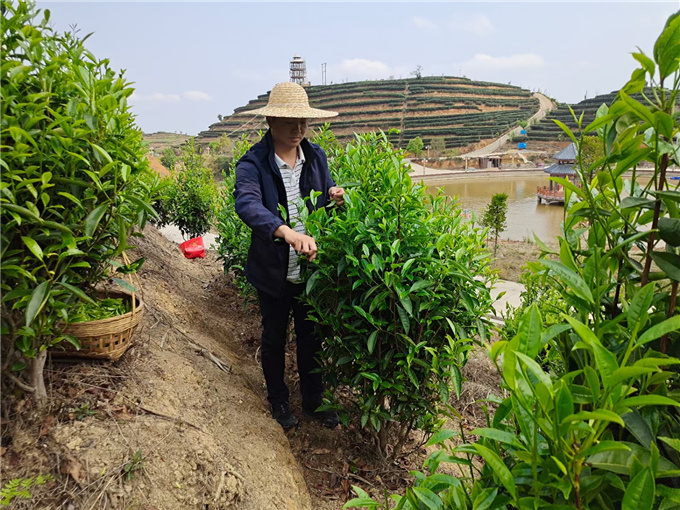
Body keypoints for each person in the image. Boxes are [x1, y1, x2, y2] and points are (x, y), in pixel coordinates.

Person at [233, 82, 345, 430]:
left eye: (303, 123)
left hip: (310, 270)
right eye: (289, 123)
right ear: (270, 121)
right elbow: (248, 204)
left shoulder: (316, 156)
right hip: (273, 270)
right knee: (274, 337)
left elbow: (324, 203)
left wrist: (336, 199)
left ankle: (313, 401)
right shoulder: (253, 163)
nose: (298, 130)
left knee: (312, 338)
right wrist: (288, 233)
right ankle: (278, 400)